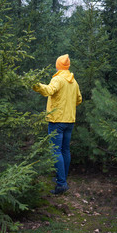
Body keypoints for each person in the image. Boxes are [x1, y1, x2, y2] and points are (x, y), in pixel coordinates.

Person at [32, 54, 82, 194]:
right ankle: (62, 178)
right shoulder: (74, 82)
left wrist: (34, 84)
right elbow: (79, 100)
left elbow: (49, 90)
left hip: (57, 121)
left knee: (56, 151)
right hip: (69, 121)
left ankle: (61, 184)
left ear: (58, 66)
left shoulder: (58, 79)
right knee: (65, 150)